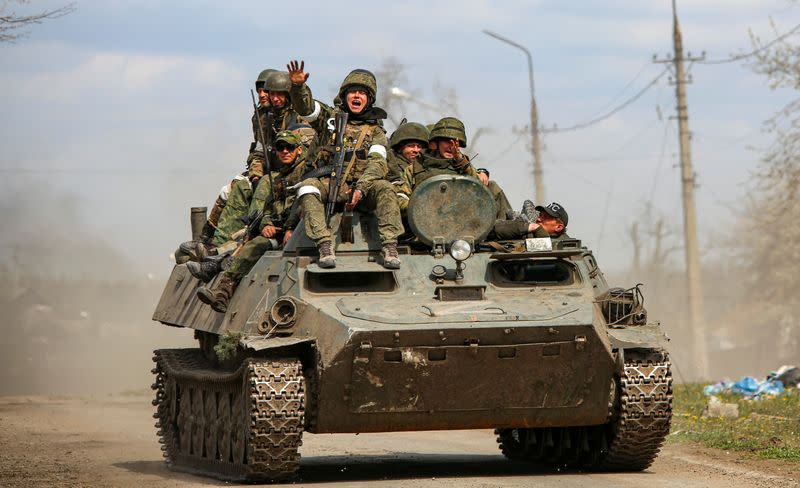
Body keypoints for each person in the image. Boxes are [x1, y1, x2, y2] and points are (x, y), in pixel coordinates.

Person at [287, 60, 403, 269]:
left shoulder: (375, 132)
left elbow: (377, 164)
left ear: (369, 99)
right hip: (332, 185)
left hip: (364, 190)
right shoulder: (330, 120)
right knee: (307, 187)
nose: (357, 96)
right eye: (353, 92)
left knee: (385, 188)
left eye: (362, 93)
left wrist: (361, 187)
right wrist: (298, 88)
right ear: (344, 95)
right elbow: (307, 109)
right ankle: (324, 244)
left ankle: (389, 245)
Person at [195, 130, 312, 312]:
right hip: (279, 234)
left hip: (300, 232)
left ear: (298, 149)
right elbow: (264, 209)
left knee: (253, 245)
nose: (285, 151)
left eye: (289, 147)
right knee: (254, 244)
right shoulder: (275, 179)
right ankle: (223, 292)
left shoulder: (307, 172)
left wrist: (289, 227)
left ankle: (221, 284)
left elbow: (302, 205)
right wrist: (265, 224)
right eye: (280, 148)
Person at [492, 201, 570, 240]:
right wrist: (528, 227)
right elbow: (495, 228)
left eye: (545, 217)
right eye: (540, 215)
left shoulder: (565, 243)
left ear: (559, 227)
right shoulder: (527, 228)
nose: (538, 219)